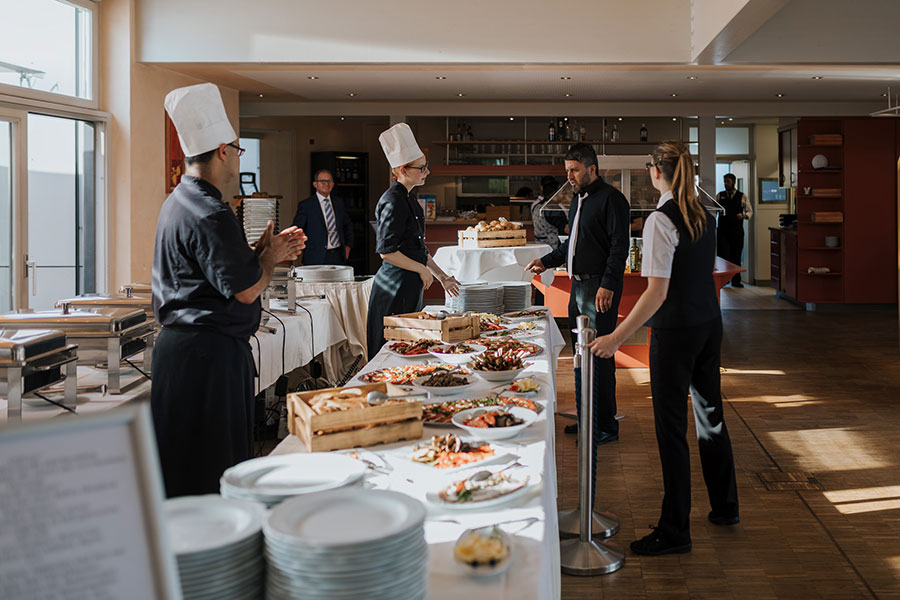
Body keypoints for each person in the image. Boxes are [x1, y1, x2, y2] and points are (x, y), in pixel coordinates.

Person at [151, 83, 307, 497]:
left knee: (182, 471)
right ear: (223, 151)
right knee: (213, 473)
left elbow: (222, 273)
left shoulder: (180, 201)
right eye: (237, 151)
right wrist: (271, 259)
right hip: (208, 360)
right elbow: (244, 291)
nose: (238, 159)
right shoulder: (211, 211)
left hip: (183, 357)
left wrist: (261, 250)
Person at [588, 141, 739, 556]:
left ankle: (675, 530)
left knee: (671, 430)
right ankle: (726, 507)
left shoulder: (660, 219)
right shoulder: (703, 216)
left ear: (656, 171)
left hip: (675, 333)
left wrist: (616, 338)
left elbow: (656, 293)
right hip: (709, 325)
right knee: (711, 416)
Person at [525, 142, 629, 496]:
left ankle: (605, 425)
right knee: (580, 358)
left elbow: (619, 246)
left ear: (592, 168)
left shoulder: (611, 199)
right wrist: (547, 260)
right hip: (577, 289)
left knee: (600, 356)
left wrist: (610, 286)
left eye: (574, 170)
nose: (568, 176)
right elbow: (573, 245)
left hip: (598, 287)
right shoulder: (577, 198)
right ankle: (587, 419)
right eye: (567, 170)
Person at [366, 123, 460, 359]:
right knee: (390, 351)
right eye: (421, 168)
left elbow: (418, 249)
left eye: (426, 167)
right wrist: (420, 269)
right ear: (401, 170)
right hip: (393, 287)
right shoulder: (392, 201)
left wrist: (443, 277)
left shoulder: (409, 199)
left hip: (410, 285)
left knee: (409, 349)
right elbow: (386, 251)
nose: (427, 172)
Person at [292, 169, 353, 265]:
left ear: (332, 184)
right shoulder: (306, 205)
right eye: (322, 181)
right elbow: (297, 230)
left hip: (338, 256)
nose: (326, 184)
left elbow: (348, 225)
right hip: (315, 257)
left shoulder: (339, 203)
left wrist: (348, 246)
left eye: (329, 181)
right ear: (315, 184)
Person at [716, 173, 753, 287]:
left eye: (728, 181)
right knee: (723, 255)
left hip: (736, 231)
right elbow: (715, 210)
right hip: (722, 231)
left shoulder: (742, 196)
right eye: (724, 181)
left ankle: (736, 280)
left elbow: (749, 211)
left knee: (736, 255)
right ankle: (724, 280)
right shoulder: (719, 195)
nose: (726, 184)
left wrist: (744, 216)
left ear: (733, 182)